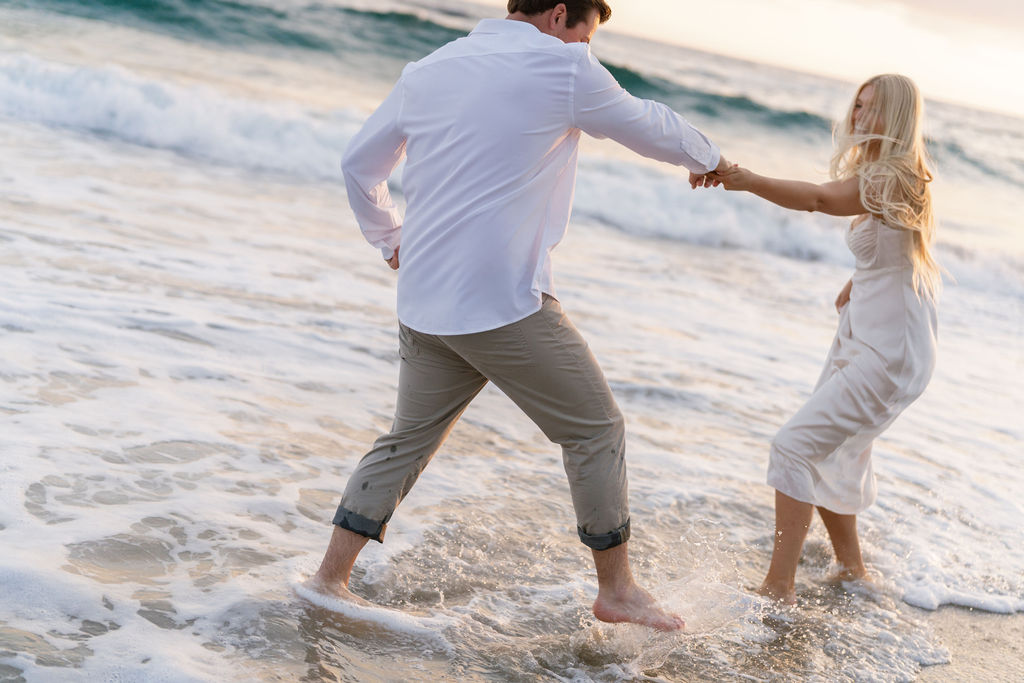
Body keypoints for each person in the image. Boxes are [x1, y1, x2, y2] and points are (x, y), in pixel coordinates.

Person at [305, 0, 731, 630]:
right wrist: (711, 159)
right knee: (595, 429)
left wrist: (390, 238)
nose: (586, 50)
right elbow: (650, 125)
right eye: (586, 36)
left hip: (425, 299)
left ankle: (328, 580)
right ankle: (618, 590)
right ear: (559, 15)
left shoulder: (430, 67)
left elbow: (357, 165)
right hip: (499, 303)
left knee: (405, 440)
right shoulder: (564, 67)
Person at [695, 74, 940, 604]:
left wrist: (746, 179)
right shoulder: (891, 175)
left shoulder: (894, 176)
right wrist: (861, 276)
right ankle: (853, 570)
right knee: (834, 454)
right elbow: (895, 246)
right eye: (858, 104)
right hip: (873, 335)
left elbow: (816, 199)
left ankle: (778, 588)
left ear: (897, 116)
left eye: (872, 107)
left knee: (794, 446)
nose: (858, 114)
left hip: (889, 351)